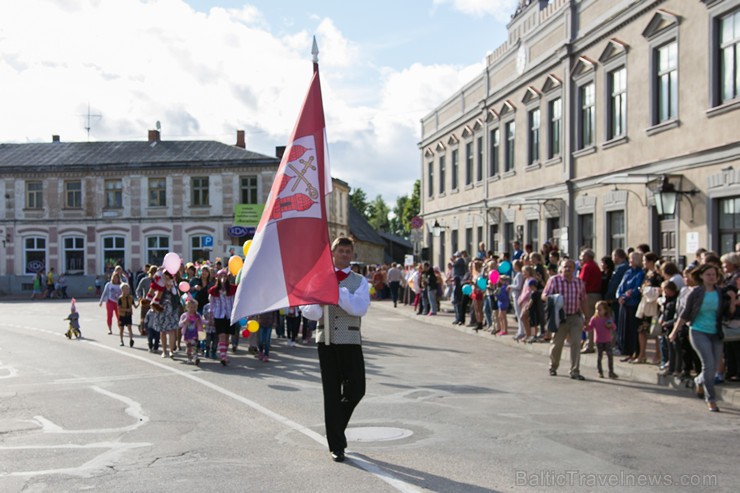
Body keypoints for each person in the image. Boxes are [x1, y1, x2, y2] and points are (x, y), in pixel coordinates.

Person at [300, 237, 370, 462]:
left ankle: (336, 426)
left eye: (348, 251)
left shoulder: (359, 281)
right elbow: (309, 311)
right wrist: (320, 300)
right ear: (333, 253)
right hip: (327, 341)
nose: (345, 254)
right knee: (331, 393)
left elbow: (359, 308)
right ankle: (336, 445)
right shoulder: (319, 279)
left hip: (350, 340)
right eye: (341, 251)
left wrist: (336, 292)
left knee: (357, 388)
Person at [669, 264, 727, 412]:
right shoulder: (696, 292)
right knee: (708, 364)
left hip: (716, 333)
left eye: (714, 274)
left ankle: (698, 380)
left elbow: (726, 312)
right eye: (708, 274)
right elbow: (684, 313)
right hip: (698, 331)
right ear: (701, 276)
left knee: (713, 368)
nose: (712, 277)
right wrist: (674, 331)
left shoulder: (720, 292)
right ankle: (711, 399)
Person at [541, 259, 587, 380]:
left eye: (570, 267)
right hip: (560, 318)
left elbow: (583, 300)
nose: (568, 269)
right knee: (557, 344)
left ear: (574, 269)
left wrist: (586, 316)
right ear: (560, 268)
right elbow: (544, 296)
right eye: (565, 267)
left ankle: (575, 371)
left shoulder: (579, 282)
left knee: (576, 343)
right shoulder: (554, 280)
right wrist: (553, 298)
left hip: (574, 316)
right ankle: (553, 366)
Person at [208, 269, 238, 365]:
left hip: (229, 315)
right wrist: (211, 317)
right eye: (221, 276)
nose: (223, 278)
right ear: (218, 278)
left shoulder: (232, 289)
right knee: (221, 335)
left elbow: (235, 301)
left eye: (225, 276)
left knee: (227, 337)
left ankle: (225, 353)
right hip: (219, 315)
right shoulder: (214, 290)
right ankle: (223, 356)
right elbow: (212, 305)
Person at [586, 301, 618, 379]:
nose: (597, 311)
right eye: (596, 309)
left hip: (607, 340)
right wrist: (585, 327)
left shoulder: (608, 318)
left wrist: (611, 325)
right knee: (599, 357)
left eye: (600, 309)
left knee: (610, 356)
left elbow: (614, 327)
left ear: (605, 310)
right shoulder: (594, 318)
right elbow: (590, 327)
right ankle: (600, 371)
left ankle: (611, 371)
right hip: (598, 341)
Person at [578, 249, 602, 354]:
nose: (581, 258)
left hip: (589, 295)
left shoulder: (587, 267)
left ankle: (589, 344)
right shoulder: (595, 266)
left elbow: (582, 282)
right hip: (596, 294)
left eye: (582, 256)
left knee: (588, 320)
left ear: (587, 257)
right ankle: (592, 343)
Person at [179, 298, 204, 365]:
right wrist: (185, 321)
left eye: (193, 307)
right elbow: (180, 324)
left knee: (194, 346)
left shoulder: (197, 315)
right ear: (187, 307)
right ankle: (189, 358)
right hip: (187, 334)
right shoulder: (184, 315)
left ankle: (195, 357)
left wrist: (205, 322)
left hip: (195, 334)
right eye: (190, 307)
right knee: (188, 347)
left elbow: (202, 322)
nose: (192, 309)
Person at [117, 283, 138, 347]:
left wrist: (140, 302)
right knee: (121, 328)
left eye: (128, 289)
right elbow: (119, 308)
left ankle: (131, 339)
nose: (128, 290)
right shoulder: (120, 298)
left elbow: (135, 306)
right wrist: (126, 310)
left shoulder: (130, 298)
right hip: (122, 315)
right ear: (122, 290)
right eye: (126, 289)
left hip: (129, 315)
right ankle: (121, 340)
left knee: (129, 327)